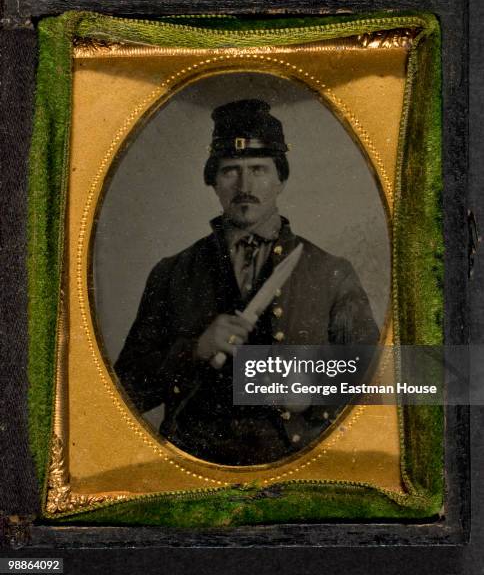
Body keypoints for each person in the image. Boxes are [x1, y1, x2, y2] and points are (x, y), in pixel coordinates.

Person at [115, 99, 379, 465]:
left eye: (258, 169)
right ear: (213, 181)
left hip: (299, 465)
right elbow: (126, 391)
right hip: (194, 465)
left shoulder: (330, 272)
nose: (244, 185)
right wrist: (194, 350)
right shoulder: (172, 273)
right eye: (230, 171)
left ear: (280, 178)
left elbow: (379, 377)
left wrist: (315, 391)